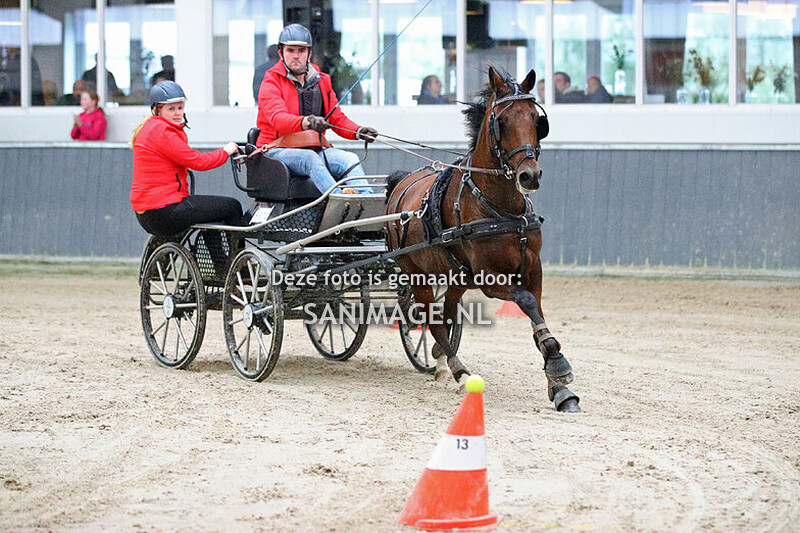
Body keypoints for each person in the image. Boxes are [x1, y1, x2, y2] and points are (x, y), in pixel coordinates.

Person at [255, 23, 378, 195]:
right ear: (281, 53)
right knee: (310, 159)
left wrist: (358, 131)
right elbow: (278, 119)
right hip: (275, 151)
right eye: (290, 50)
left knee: (350, 159)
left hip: (312, 148)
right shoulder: (270, 82)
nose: (296, 56)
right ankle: (340, 203)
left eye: (301, 50)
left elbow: (336, 119)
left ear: (309, 53)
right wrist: (308, 122)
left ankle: (365, 206)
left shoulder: (322, 81)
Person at [130, 81, 243, 237]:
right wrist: (226, 151)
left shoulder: (150, 128)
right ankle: (236, 258)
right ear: (158, 110)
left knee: (211, 210)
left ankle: (219, 260)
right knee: (232, 207)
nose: (178, 113)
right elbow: (200, 162)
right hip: (164, 210)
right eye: (171, 109)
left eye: (180, 108)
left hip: (148, 211)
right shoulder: (163, 132)